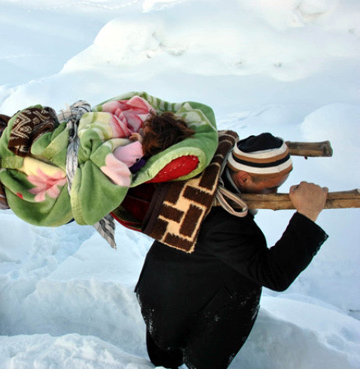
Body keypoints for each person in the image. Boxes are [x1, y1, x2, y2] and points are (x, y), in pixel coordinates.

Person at [134, 133, 329, 369]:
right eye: (273, 187)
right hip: (175, 302)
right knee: (174, 356)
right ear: (244, 178)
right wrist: (307, 216)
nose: (279, 194)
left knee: (164, 351)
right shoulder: (226, 223)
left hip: (163, 286)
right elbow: (274, 274)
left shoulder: (213, 169)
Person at [113, 111, 195, 172]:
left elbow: (116, 157)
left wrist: (139, 146)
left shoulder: (140, 159)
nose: (139, 132)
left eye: (143, 134)